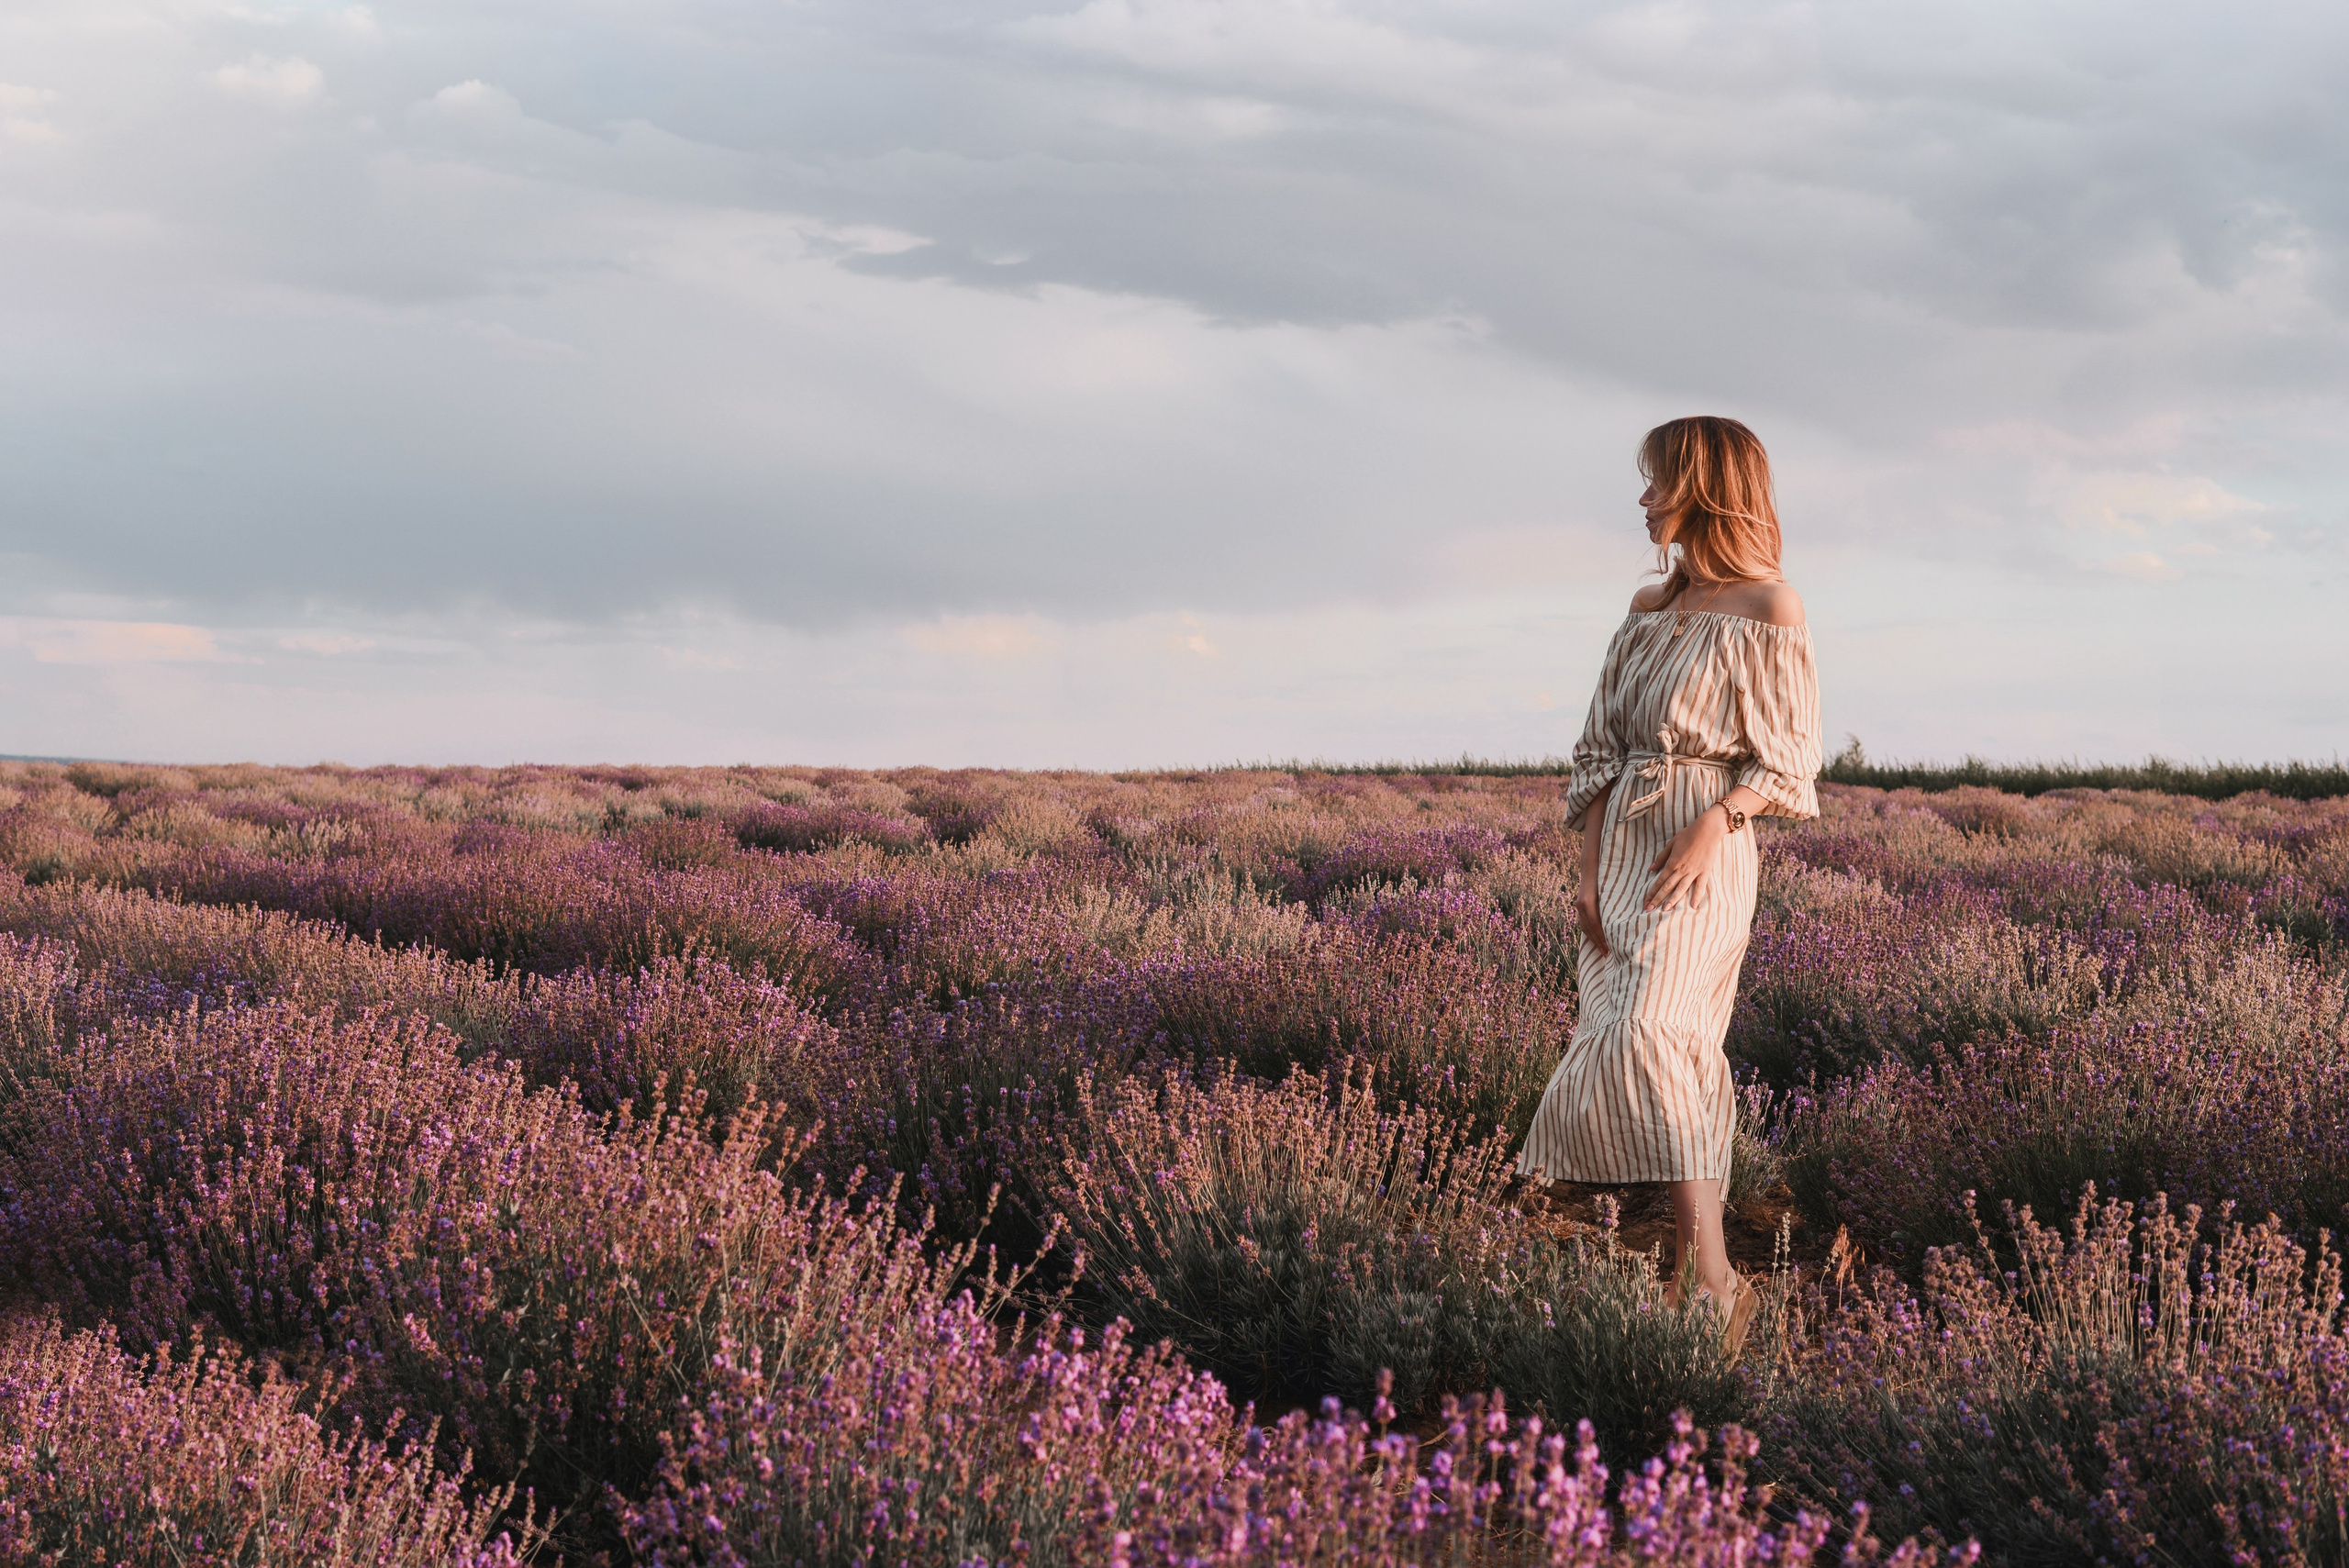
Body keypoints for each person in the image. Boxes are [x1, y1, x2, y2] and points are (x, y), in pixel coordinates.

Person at [1517, 415, 1821, 1354]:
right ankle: (1706, 1275)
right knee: (1631, 1035)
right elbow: (1598, 750)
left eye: (1656, 481)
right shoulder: (1649, 605)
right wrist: (1582, 873)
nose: (1643, 498)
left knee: (1658, 1032)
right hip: (1618, 853)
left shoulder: (1771, 606)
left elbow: (1787, 759)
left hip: (1703, 852)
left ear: (1704, 486)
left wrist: (1715, 819)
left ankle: (1715, 1275)